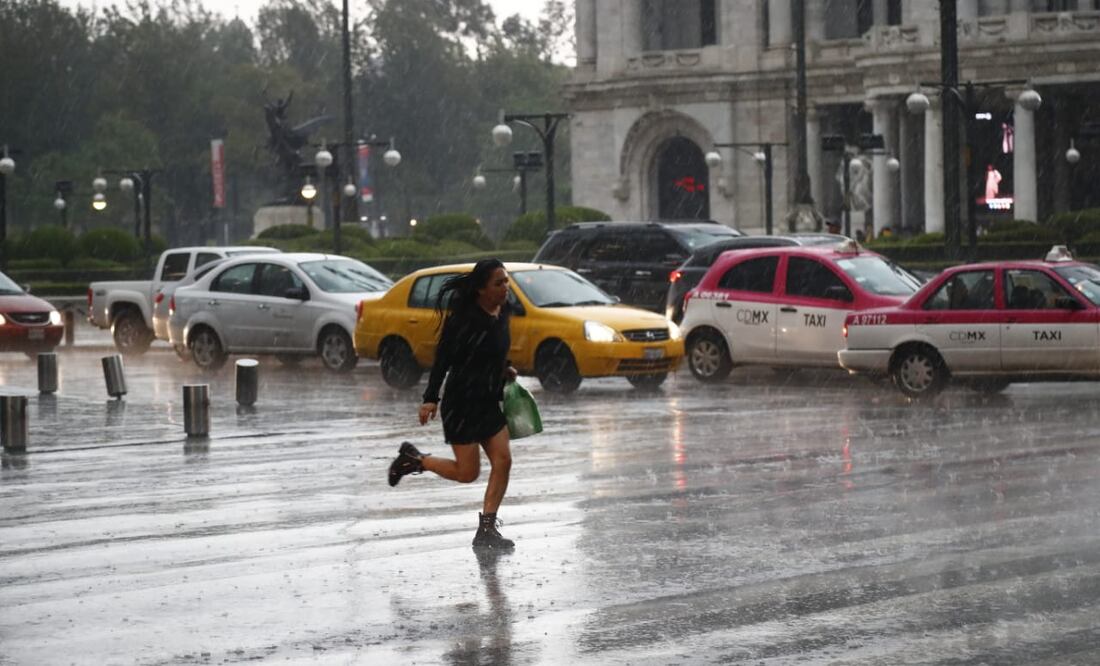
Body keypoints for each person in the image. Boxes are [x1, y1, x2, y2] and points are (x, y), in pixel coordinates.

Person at [387, 259, 517, 550]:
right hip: (462, 402)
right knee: (467, 473)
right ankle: (414, 460)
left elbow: (495, 349)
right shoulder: (463, 320)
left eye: (507, 281)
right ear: (482, 288)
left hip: (488, 400)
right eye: (499, 282)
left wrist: (505, 368)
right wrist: (430, 398)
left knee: (503, 461)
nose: (506, 287)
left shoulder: (503, 311)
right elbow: (443, 359)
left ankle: (487, 529)